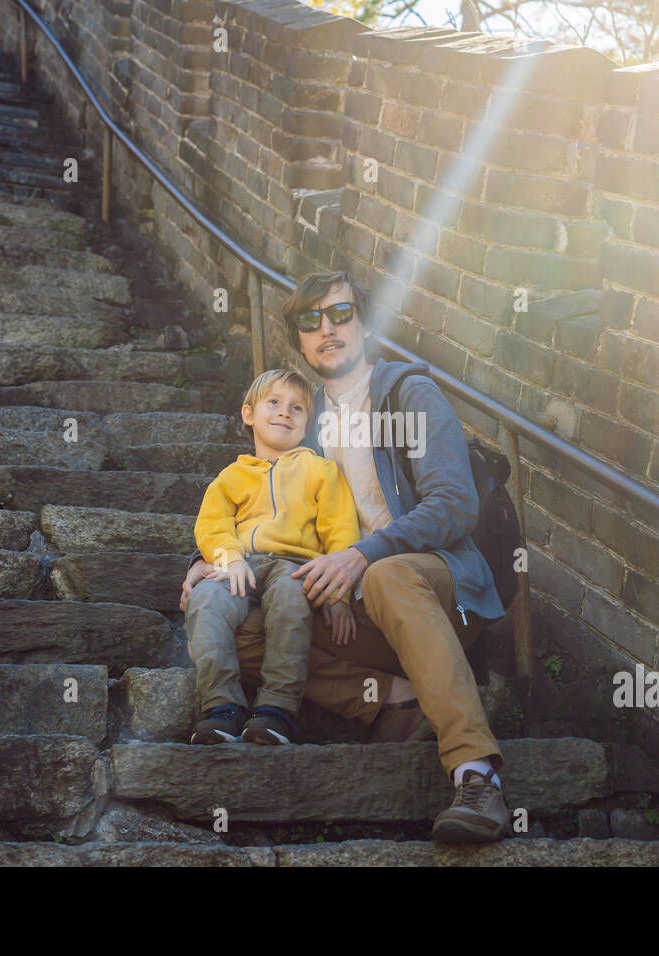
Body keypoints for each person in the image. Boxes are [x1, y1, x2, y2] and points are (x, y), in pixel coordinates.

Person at [181, 271, 512, 843]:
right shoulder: (306, 432)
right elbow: (261, 509)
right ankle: (395, 700)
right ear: (300, 340)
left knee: (385, 575)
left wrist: (363, 555)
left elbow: (456, 504)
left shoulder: (407, 393)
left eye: (341, 314)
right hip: (355, 616)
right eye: (311, 320)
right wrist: (204, 559)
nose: (327, 328)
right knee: (234, 622)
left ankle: (476, 775)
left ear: (364, 323)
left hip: (440, 591)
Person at [183, 367, 360, 745]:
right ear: (249, 414)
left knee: (292, 602)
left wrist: (338, 595)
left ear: (307, 424)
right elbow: (213, 525)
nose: (284, 413)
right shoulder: (231, 476)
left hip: (296, 567)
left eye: (297, 409)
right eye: (274, 403)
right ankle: (221, 708)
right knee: (206, 602)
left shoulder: (321, 470)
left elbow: (340, 531)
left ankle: (276, 711)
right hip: (239, 566)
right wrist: (227, 557)